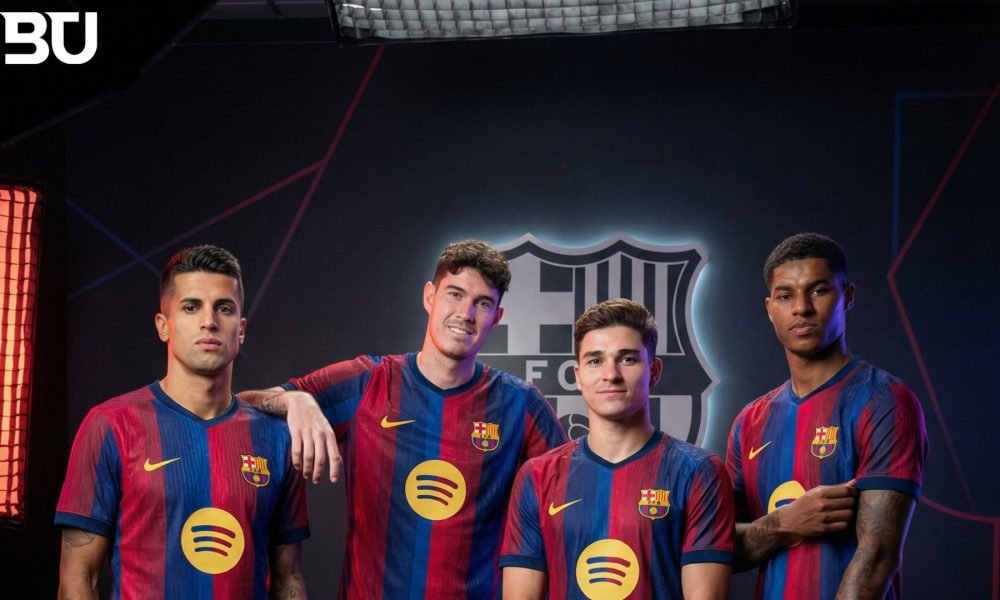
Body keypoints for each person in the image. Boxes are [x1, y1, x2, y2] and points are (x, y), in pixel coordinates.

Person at [241, 239, 568, 598]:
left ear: (497, 318)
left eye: (483, 303)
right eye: (455, 294)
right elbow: (241, 407)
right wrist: (295, 399)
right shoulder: (367, 382)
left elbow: (572, 499)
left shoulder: (521, 404)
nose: (466, 313)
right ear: (429, 296)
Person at [55, 245, 309, 599]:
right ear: (164, 326)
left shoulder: (277, 438)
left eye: (224, 308)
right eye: (191, 307)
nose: (209, 321)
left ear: (241, 330)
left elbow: (288, 578)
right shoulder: (110, 425)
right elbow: (80, 577)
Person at [726, 233, 928, 600]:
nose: (801, 308)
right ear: (769, 308)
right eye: (785, 296)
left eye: (818, 291)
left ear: (847, 295)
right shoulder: (750, 421)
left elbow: (877, 555)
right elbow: (724, 550)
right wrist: (783, 524)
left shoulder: (883, 399)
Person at [500, 298, 734, 600]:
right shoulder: (537, 476)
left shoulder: (698, 472)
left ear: (654, 370)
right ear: (578, 376)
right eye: (595, 361)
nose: (611, 374)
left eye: (627, 359)